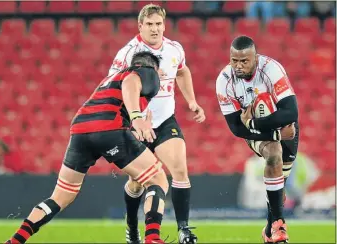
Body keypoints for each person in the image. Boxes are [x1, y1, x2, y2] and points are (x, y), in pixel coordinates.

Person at [5, 51, 170, 244]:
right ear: (153, 68)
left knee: (60, 196)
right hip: (108, 127)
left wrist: (133, 124)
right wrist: (136, 117)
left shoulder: (111, 78)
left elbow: (116, 102)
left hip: (80, 130)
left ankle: (15, 241)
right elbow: (132, 82)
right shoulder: (144, 71)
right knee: (157, 179)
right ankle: (152, 239)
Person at [109, 4, 205, 244]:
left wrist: (192, 101)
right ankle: (132, 228)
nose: (154, 29)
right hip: (136, 126)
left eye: (158, 24)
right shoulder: (128, 53)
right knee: (136, 183)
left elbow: (182, 72)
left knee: (180, 170)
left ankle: (183, 229)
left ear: (164, 24)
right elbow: (113, 87)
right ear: (140, 26)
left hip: (164, 122)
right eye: (149, 24)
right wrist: (134, 116)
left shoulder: (174, 49)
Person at [215, 35, 299, 244]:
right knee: (273, 155)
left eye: (244, 61)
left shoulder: (271, 69)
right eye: (234, 61)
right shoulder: (224, 81)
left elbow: (290, 113)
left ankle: (269, 233)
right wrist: (274, 135)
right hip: (262, 134)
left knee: (279, 186)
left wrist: (253, 123)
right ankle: (279, 226)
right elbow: (236, 127)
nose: (239, 66)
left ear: (255, 58)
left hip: (284, 128)